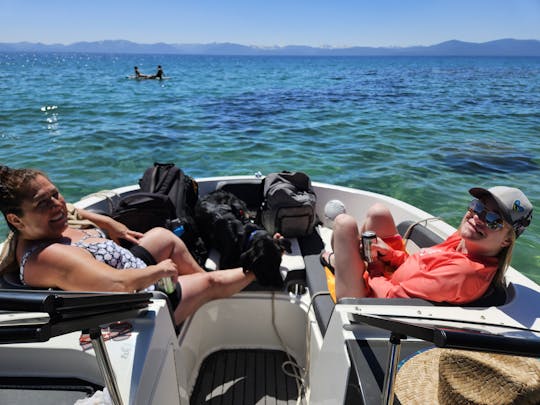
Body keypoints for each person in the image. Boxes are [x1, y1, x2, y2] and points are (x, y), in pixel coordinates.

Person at [0, 166, 282, 325]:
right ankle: (255, 270)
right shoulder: (48, 256)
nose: (57, 205)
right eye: (43, 203)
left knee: (163, 235)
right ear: (16, 219)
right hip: (132, 300)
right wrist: (157, 272)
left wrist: (108, 223)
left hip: (127, 268)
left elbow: (72, 209)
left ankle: (194, 296)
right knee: (210, 281)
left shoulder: (38, 230)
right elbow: (115, 285)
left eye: (55, 194)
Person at [320, 186, 533, 304]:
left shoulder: (462, 273)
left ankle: (337, 262)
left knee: (344, 224)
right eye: (477, 207)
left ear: (507, 240)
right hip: (396, 279)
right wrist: (390, 255)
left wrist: (373, 266)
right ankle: (345, 261)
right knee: (378, 212)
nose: (477, 217)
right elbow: (422, 264)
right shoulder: (464, 241)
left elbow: (392, 299)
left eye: (494, 220)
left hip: (373, 302)